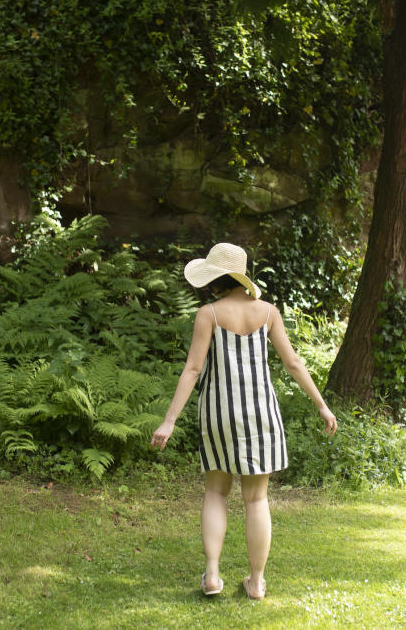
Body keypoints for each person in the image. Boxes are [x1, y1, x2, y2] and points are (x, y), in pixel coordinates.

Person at [150, 242, 338, 601]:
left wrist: (169, 421)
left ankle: (213, 575)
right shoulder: (268, 312)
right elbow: (294, 363)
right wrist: (322, 406)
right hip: (260, 414)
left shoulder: (209, 314)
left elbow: (193, 369)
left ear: (216, 278)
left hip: (219, 414)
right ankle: (255, 581)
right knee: (256, 500)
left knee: (216, 492)